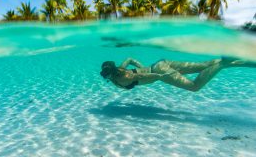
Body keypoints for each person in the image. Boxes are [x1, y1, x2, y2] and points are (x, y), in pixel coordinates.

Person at [100, 57, 256, 92]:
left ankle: (222, 63)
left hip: (159, 71)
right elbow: (130, 59)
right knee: (204, 66)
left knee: (194, 86)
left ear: (110, 75)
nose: (106, 79)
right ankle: (245, 61)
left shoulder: (122, 78)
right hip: (160, 63)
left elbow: (142, 77)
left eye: (106, 76)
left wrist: (159, 76)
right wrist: (144, 67)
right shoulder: (121, 68)